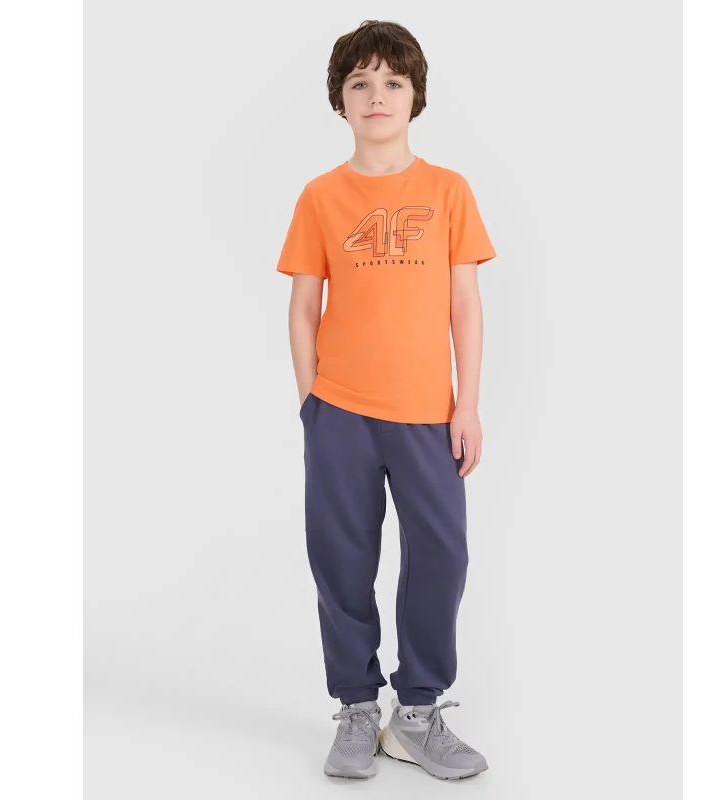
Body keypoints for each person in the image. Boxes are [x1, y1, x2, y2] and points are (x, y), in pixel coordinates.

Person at [275, 19, 496, 781]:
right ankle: (356, 708)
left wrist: (467, 405)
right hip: (339, 410)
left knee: (442, 553)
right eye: (360, 83)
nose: (377, 96)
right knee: (341, 558)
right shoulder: (320, 197)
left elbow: (464, 303)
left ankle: (417, 713)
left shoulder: (448, 191)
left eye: (393, 82)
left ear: (415, 96)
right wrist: (312, 402)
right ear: (340, 99)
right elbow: (304, 308)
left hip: (428, 411)